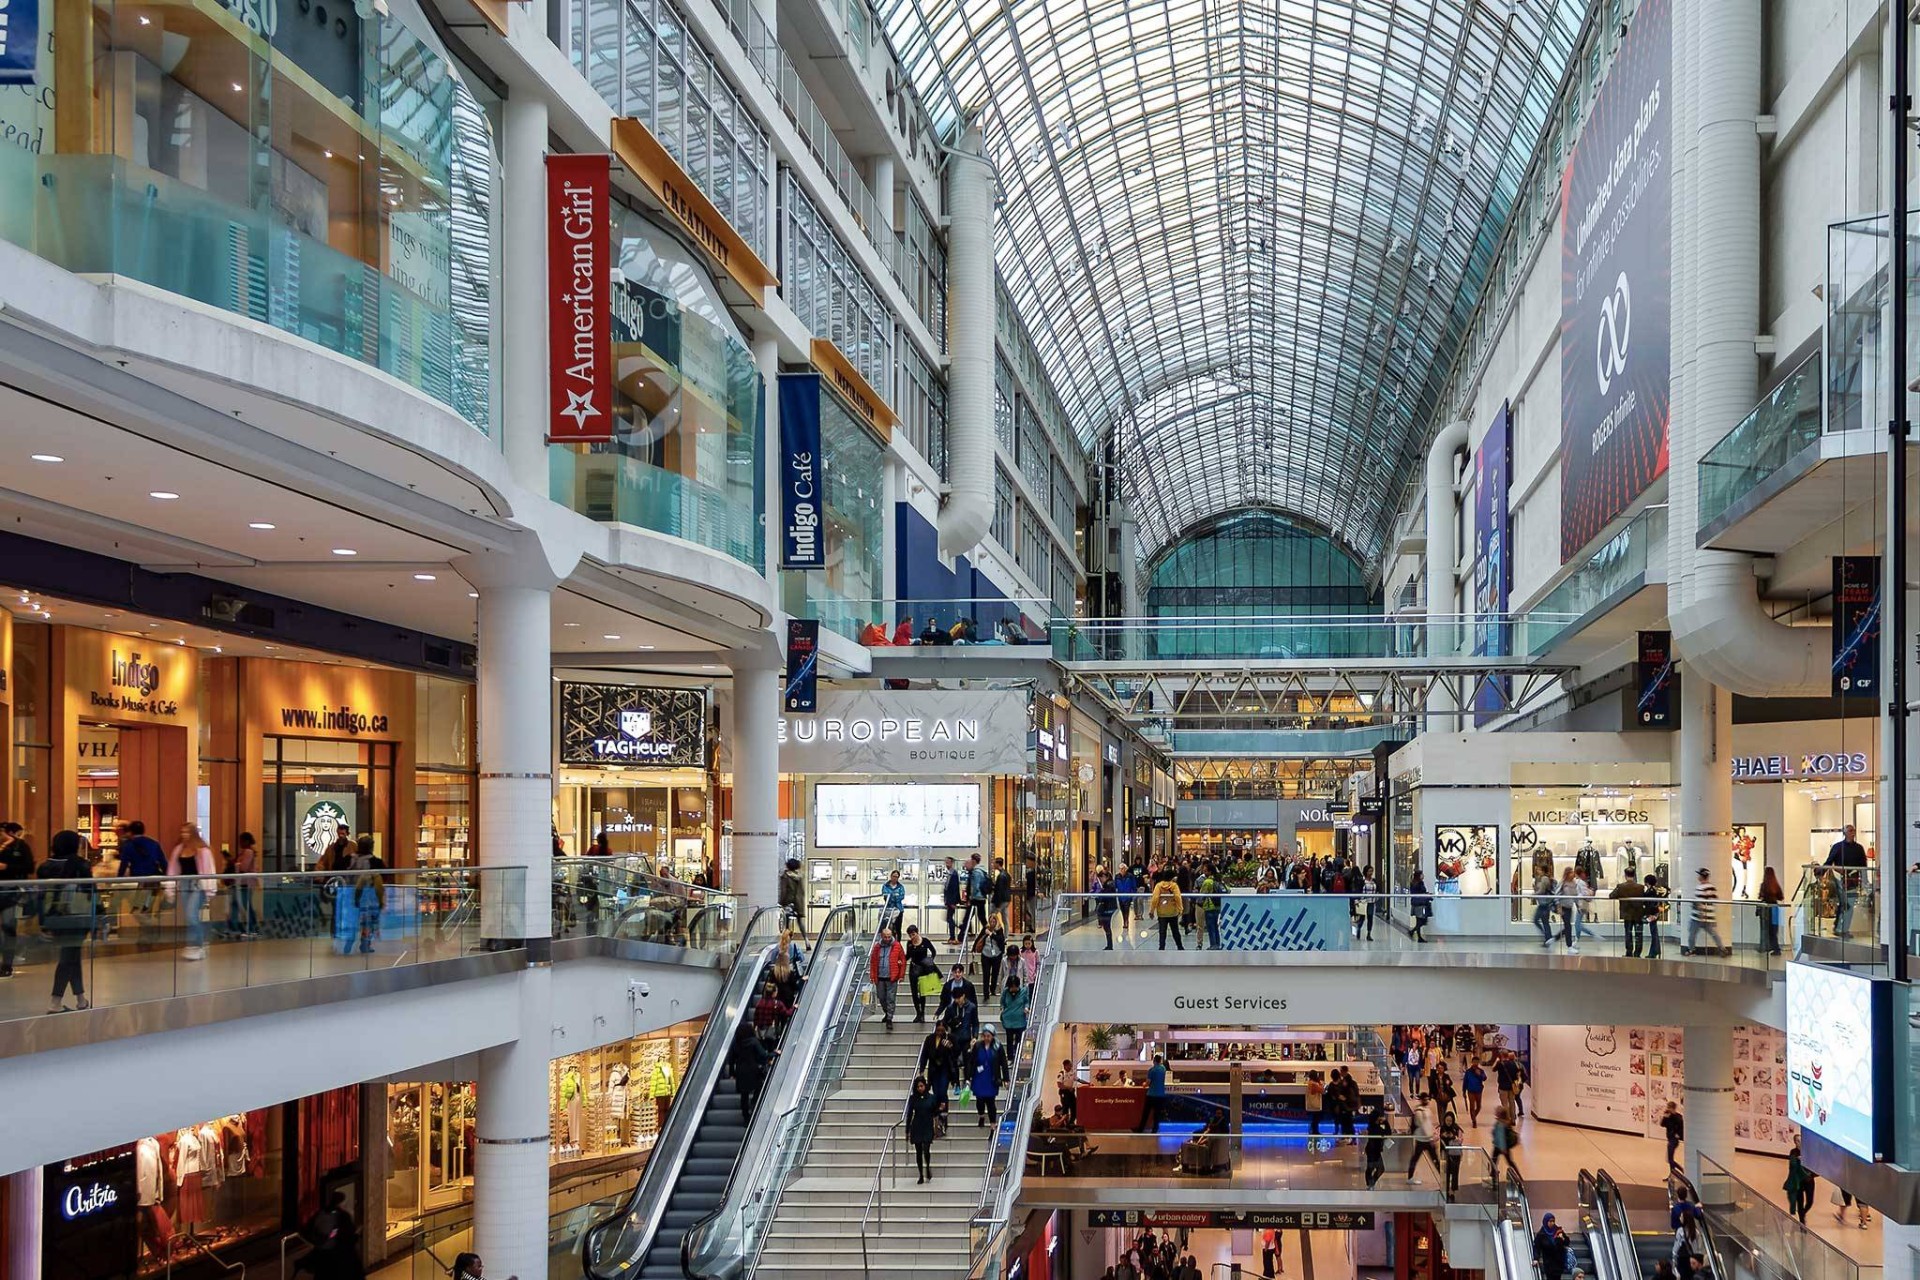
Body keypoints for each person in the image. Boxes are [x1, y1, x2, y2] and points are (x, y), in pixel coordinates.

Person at [38, 830, 95, 1013]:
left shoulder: (45, 866)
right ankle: (55, 1001)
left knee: (72, 956)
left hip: (53, 917)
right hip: (77, 916)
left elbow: (41, 896)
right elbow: (90, 892)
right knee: (68, 957)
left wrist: (42, 922)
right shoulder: (81, 865)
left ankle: (81, 999)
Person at [166, 823, 218, 961]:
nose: (184, 835)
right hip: (184, 885)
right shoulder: (178, 850)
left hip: (197, 885)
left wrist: (210, 889)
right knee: (190, 916)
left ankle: (198, 945)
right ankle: (193, 945)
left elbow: (208, 870)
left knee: (191, 914)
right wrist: (170, 888)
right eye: (183, 832)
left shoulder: (202, 851)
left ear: (193, 834)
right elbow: (172, 870)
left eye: (187, 832)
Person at [0, 823, 33, 978]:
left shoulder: (20, 846)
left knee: (8, 925)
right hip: (8, 889)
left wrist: (6, 867)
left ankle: (7, 964)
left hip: (11, 891)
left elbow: (28, 867)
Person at [1826, 824, 1868, 935]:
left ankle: (1844, 928)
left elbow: (1863, 866)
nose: (1852, 832)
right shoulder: (1838, 847)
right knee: (1844, 904)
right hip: (1840, 879)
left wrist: (1865, 882)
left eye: (1853, 830)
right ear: (1845, 833)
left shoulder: (1859, 848)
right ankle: (1839, 927)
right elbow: (1829, 862)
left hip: (1853, 880)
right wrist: (1821, 872)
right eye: (1850, 830)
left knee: (1849, 905)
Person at [727, 1021, 771, 1120]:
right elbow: (763, 1054)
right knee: (759, 1086)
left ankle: (746, 1116)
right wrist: (774, 1053)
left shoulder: (736, 1043)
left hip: (740, 1071)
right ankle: (754, 1101)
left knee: (744, 1094)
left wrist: (732, 1073)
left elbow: (731, 1059)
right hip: (753, 1069)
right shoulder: (753, 1041)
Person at [223, 831, 260, 939]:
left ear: (247, 841)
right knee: (235, 904)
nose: (240, 843)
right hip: (239, 883)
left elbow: (244, 867)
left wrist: (234, 863)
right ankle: (233, 927)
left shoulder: (248, 852)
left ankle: (252, 928)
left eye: (242, 841)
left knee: (246, 905)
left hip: (245, 883)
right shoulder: (244, 852)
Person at [906, 1075, 942, 1183]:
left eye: (921, 1086)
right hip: (917, 1125)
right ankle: (921, 1174)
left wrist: (940, 1110)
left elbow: (935, 1112)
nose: (920, 1088)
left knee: (926, 1149)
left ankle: (928, 1166)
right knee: (918, 1151)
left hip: (927, 1125)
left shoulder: (931, 1098)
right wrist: (907, 1130)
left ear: (925, 1086)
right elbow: (909, 1114)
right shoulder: (913, 1099)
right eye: (918, 1087)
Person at [969, 1028, 1009, 1127]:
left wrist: (1006, 1079)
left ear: (992, 1036)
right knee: (980, 1100)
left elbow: (1003, 1063)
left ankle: (993, 1125)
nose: (986, 1038)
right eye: (985, 1036)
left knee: (991, 1102)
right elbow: (971, 1062)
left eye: (988, 1036)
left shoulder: (997, 1046)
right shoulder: (978, 1046)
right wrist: (968, 1077)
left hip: (991, 1077)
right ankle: (981, 1114)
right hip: (979, 1077)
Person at [869, 927, 906, 1029]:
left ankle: (889, 1018)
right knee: (881, 997)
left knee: (890, 998)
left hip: (892, 977)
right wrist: (872, 975)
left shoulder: (897, 946)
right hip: (880, 977)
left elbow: (903, 961)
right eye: (885, 937)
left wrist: (901, 975)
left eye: (889, 937)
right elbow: (873, 962)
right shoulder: (877, 947)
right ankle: (887, 1012)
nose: (887, 939)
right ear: (882, 936)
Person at [1684, 868, 1725, 955]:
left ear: (1702, 876)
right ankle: (1722, 948)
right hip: (1708, 916)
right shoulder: (1712, 887)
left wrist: (1701, 913)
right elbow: (1713, 899)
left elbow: (1700, 902)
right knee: (1713, 933)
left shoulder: (1700, 887)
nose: (1698, 877)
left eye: (1699, 875)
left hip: (1698, 916)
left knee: (1692, 933)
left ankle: (1691, 949)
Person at [904, 924, 939, 1023]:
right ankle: (918, 1013)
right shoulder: (910, 943)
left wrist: (929, 961)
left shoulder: (925, 941)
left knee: (922, 992)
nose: (912, 937)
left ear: (917, 932)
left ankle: (922, 1013)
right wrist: (901, 960)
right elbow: (908, 956)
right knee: (914, 992)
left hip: (924, 968)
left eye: (913, 934)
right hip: (914, 968)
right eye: (910, 935)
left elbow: (933, 951)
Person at [1407, 1093, 1441, 1183]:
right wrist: (1430, 1137)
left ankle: (1442, 1176)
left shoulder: (1427, 1110)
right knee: (1417, 1158)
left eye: (1427, 1099)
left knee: (1434, 1159)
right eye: (1425, 1099)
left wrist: (1433, 1132)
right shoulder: (1419, 1112)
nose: (1427, 1101)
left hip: (1426, 1139)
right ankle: (1410, 1177)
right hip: (1423, 1139)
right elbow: (1422, 1125)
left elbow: (1429, 1124)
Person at [1611, 874, 1645, 957]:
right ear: (1634, 876)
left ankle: (1629, 952)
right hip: (1638, 914)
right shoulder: (1640, 887)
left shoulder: (1621, 886)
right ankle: (1637, 952)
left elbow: (1612, 895)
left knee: (1628, 933)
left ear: (1625, 876)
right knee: (1639, 934)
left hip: (1627, 914)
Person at [1000, 973, 1031, 1060]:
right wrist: (1002, 1009)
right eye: (1011, 987)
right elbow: (1002, 1002)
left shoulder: (1023, 991)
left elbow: (1026, 1002)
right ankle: (1010, 1058)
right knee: (1009, 1041)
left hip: (1020, 1021)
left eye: (1015, 987)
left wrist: (1026, 1008)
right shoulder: (1005, 992)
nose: (1013, 989)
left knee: (1019, 1041)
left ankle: (1017, 1057)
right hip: (1008, 1021)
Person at [1136, 1053, 1169, 1133]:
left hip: (1151, 1094)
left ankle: (1141, 1129)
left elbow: (1147, 1083)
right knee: (1157, 1114)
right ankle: (1155, 1129)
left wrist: (1143, 1084)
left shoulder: (1152, 1070)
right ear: (1160, 1061)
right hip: (1161, 1094)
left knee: (1146, 1113)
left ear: (1154, 1061)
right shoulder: (1163, 1069)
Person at [1150, 874, 1184, 950]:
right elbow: (1178, 897)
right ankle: (1180, 947)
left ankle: (1161, 947)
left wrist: (1152, 910)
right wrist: (1180, 908)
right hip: (1173, 912)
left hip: (1162, 913)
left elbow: (1155, 898)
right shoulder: (1174, 886)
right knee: (1175, 931)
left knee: (1162, 932)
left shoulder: (1158, 886)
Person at [1533, 1213, 1571, 1280]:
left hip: (1558, 1262)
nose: (1552, 1223)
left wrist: (1563, 1238)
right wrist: (1536, 1258)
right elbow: (1537, 1247)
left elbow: (1567, 1243)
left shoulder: (1558, 1231)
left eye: (1553, 1221)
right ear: (1546, 1221)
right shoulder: (1541, 1234)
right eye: (1550, 1221)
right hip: (1549, 1263)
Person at [1784, 1144, 1815, 1223]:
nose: (1799, 1143)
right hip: (1798, 1182)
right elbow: (1792, 1165)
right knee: (1800, 1202)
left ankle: (1803, 1213)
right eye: (1797, 1140)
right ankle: (1802, 1222)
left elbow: (1815, 1166)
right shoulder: (1793, 1152)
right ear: (1795, 1142)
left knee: (1810, 1201)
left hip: (1809, 1180)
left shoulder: (1809, 1152)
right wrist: (1797, 1159)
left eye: (1801, 1140)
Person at [1490, 1105, 1521, 1184]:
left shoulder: (1500, 1124)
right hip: (1504, 1147)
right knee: (1510, 1162)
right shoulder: (1506, 1123)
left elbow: (1500, 1137)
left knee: (1494, 1161)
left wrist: (1503, 1148)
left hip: (1499, 1147)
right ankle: (1518, 1176)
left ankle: (1493, 1177)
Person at [1758, 866, 1786, 956]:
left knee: (1765, 929)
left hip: (1766, 908)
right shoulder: (1776, 885)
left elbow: (1760, 896)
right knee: (1774, 929)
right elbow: (1781, 897)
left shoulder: (1764, 885)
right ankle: (1775, 948)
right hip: (1774, 908)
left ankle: (1766, 947)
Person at [980, 914, 1008, 997]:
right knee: (986, 973)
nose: (992, 923)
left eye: (994, 921)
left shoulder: (999, 930)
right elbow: (979, 938)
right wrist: (974, 948)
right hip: (985, 954)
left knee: (995, 973)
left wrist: (991, 934)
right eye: (991, 921)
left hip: (996, 954)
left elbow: (1000, 940)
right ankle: (986, 992)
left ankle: (993, 990)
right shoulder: (986, 929)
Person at [1642, 873, 1668, 958]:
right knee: (1654, 932)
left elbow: (1649, 903)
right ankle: (1656, 951)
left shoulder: (1650, 891)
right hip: (1655, 913)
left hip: (1652, 914)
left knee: (1654, 933)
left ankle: (1654, 952)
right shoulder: (1655, 890)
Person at [1439, 1108, 1464, 1197]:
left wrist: (1454, 1137)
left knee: (1455, 1173)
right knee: (1447, 1172)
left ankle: (1452, 1190)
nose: (1449, 1122)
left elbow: (1461, 1140)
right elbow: (1436, 1138)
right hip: (1446, 1154)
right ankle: (1446, 1188)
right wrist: (1442, 1136)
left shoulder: (1457, 1129)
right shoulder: (1442, 1128)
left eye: (1450, 1120)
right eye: (1447, 1120)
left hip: (1455, 1154)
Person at [1363, 1106, 1389, 1188]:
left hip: (1372, 1150)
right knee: (1377, 1168)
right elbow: (1388, 1132)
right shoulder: (1376, 1128)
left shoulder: (1371, 1127)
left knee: (1371, 1168)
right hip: (1374, 1151)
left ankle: (1370, 1183)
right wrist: (1385, 1122)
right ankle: (1370, 1183)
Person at [1531, 866, 1557, 947]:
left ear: (1542, 870)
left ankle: (1547, 938)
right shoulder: (1540, 878)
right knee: (1545, 922)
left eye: (1539, 869)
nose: (1537, 870)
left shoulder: (1544, 879)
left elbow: (1541, 891)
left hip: (1544, 903)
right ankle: (1548, 938)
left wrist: (1533, 895)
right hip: (1543, 903)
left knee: (1538, 920)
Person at [778, 858, 805, 933]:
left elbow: (783, 891)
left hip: (788, 903)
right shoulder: (799, 877)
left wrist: (781, 902)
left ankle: (787, 941)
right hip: (798, 903)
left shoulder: (785, 876)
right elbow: (802, 891)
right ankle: (806, 940)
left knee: (786, 923)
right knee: (800, 923)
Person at [941, 855, 963, 942]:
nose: (947, 864)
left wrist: (953, 901)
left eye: (948, 862)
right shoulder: (949, 873)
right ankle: (953, 934)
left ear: (952, 863)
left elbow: (955, 888)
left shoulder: (953, 874)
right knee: (949, 918)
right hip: (949, 900)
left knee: (949, 918)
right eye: (946, 862)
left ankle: (953, 935)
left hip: (951, 901)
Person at [1094, 872, 1118, 949]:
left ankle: (1110, 945)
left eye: (1101, 878)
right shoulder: (1109, 884)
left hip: (1108, 908)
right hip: (1109, 907)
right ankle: (1109, 945)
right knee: (1107, 926)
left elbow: (1106, 896)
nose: (1101, 880)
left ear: (1104, 876)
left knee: (1107, 926)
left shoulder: (1108, 885)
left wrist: (1100, 896)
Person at [1407, 869, 1433, 942]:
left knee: (1419, 920)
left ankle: (1415, 933)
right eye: (1422, 874)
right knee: (1422, 921)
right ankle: (1415, 934)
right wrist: (1428, 895)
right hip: (1421, 903)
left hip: (1415, 903)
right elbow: (1422, 892)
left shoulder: (1413, 883)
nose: (1423, 876)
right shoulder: (1420, 883)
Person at [1462, 1059, 1486, 1127]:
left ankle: (1473, 1115)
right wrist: (1464, 1091)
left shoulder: (1481, 1071)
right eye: (1474, 1062)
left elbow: (1484, 1078)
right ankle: (1474, 1121)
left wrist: (1479, 1075)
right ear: (1472, 1062)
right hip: (1470, 1090)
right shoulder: (1468, 1072)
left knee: (1479, 1106)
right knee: (1472, 1106)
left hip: (1478, 1090)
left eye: (1476, 1062)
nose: (1475, 1063)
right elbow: (1465, 1082)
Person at [1660, 1102, 1684, 1169]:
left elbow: (1681, 1126)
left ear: (1673, 1108)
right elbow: (1662, 1124)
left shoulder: (1678, 1117)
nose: (1668, 1109)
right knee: (1669, 1159)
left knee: (1670, 1159)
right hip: (1670, 1138)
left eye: (1669, 1107)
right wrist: (1664, 1117)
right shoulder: (1668, 1116)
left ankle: (1681, 1170)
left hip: (1674, 1140)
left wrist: (1678, 1134)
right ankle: (1672, 1174)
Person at [1056, 1058, 1078, 1123]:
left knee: (1074, 1107)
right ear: (1065, 1066)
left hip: (1071, 1092)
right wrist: (1068, 1088)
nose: (1071, 1067)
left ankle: (1072, 1122)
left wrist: (1087, 1083)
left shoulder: (1072, 1073)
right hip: (1064, 1093)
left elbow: (1078, 1079)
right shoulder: (1061, 1074)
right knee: (1065, 1108)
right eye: (1069, 1065)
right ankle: (1065, 1123)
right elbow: (1059, 1085)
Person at [1303, 1070, 1324, 1136]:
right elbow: (1322, 1090)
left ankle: (1314, 1130)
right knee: (1316, 1118)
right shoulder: (1314, 1084)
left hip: (1312, 1103)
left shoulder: (1310, 1083)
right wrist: (1321, 1084)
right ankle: (1315, 1131)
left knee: (1315, 1118)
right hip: (1315, 1104)